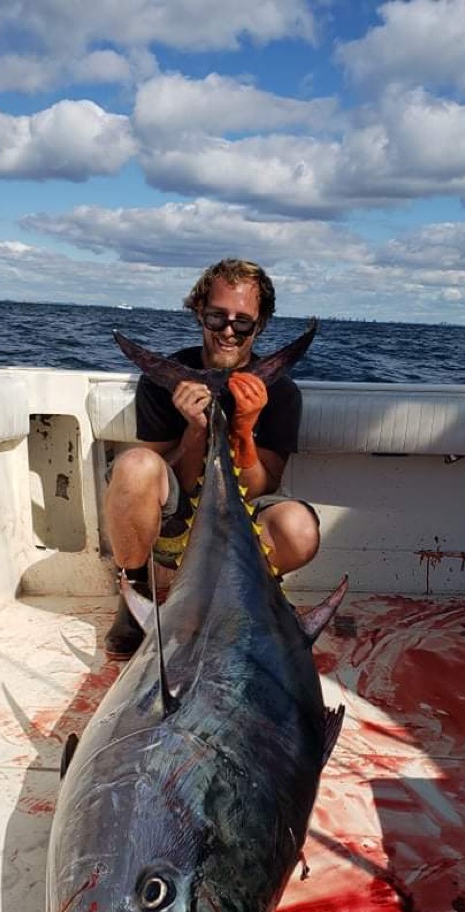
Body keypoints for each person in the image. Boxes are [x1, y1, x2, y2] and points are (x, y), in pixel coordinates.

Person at [103, 258, 320, 659]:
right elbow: (147, 482)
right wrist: (196, 430)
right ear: (198, 313)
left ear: (261, 324)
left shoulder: (281, 394)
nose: (227, 330)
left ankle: (257, 593)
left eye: (243, 322)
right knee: (133, 466)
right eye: (216, 316)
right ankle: (133, 596)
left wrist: (242, 427)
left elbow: (263, 486)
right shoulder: (162, 381)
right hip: (175, 531)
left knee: (300, 528)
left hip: (240, 532)